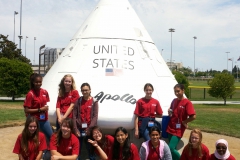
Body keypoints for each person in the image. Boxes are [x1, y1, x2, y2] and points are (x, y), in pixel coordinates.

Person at [166, 84, 196, 160]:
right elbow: (172, 112)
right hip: (170, 127)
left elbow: (193, 116)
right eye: (175, 91)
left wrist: (184, 122)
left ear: (183, 90)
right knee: (173, 149)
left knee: (170, 148)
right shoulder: (174, 101)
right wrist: (169, 112)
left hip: (178, 129)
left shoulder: (187, 102)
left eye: (178, 91)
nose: (176, 93)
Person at [23, 73, 53, 143]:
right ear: (33, 82)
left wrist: (45, 108)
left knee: (51, 137)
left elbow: (45, 103)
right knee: (33, 138)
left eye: (40, 82)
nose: (38, 84)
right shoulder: (31, 94)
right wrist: (40, 109)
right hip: (34, 120)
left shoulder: (44, 92)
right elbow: (26, 110)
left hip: (44, 119)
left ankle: (48, 151)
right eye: (36, 82)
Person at [72, 83, 99, 160]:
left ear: (90, 90)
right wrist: (75, 129)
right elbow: (74, 116)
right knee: (78, 147)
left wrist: (89, 129)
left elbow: (95, 117)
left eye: (86, 90)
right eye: (83, 90)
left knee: (90, 147)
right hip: (79, 129)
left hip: (90, 129)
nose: (84, 92)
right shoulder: (78, 101)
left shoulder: (94, 101)